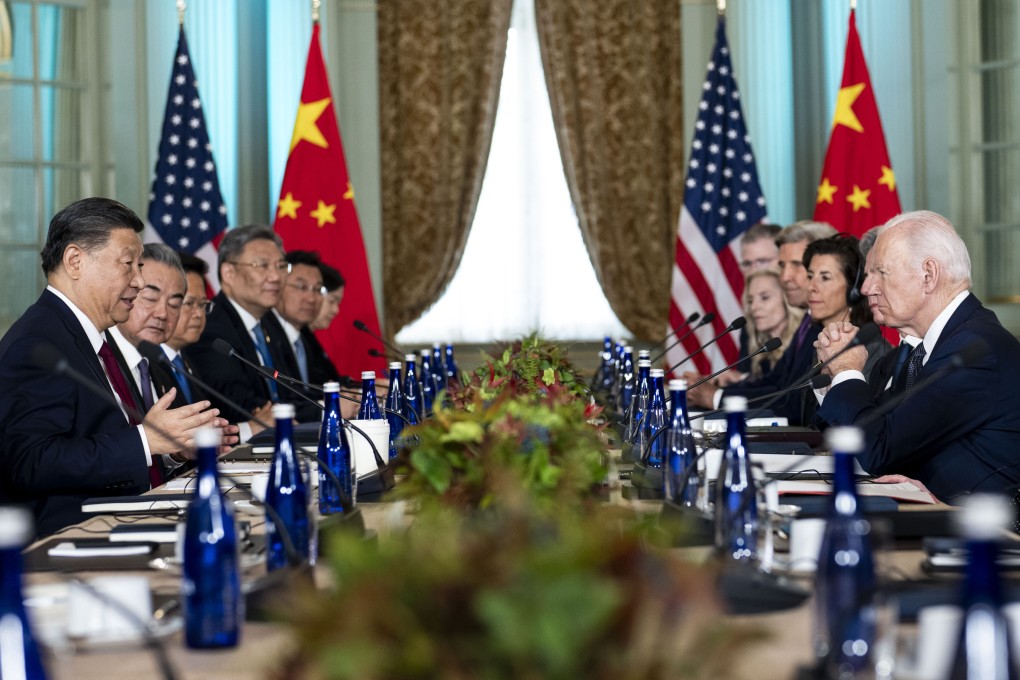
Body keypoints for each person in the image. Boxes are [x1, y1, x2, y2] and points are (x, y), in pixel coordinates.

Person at [0, 198, 224, 535]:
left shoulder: (92, 337)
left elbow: (106, 439)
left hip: (120, 519)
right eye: (128, 264)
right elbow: (32, 461)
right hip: (68, 540)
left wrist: (171, 449)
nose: (137, 280)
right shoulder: (38, 342)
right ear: (75, 261)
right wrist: (146, 441)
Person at [815, 210, 1020, 500]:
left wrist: (848, 370)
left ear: (928, 275)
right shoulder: (933, 345)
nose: (866, 287)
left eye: (880, 273)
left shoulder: (974, 350)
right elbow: (878, 427)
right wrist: (835, 377)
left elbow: (879, 450)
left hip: (988, 536)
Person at [686, 221, 837, 410]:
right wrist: (716, 391)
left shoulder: (830, 323)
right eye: (782, 265)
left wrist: (717, 398)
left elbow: (794, 402)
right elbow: (776, 384)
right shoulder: (809, 320)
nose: (784, 276)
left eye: (797, 264)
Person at [184, 225, 293, 425]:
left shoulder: (269, 322)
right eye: (262, 265)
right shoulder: (210, 325)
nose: (276, 277)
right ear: (228, 272)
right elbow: (237, 404)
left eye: (280, 266)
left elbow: (291, 392)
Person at [164, 252, 272, 441]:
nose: (198, 314)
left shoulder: (185, 360)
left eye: (203, 304)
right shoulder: (150, 361)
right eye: (189, 303)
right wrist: (248, 429)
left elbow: (208, 426)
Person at [262, 250, 331, 420]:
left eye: (317, 289)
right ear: (278, 287)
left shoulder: (304, 336)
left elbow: (317, 386)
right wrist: (327, 407)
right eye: (301, 287)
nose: (311, 298)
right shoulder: (265, 331)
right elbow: (279, 400)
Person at [742, 268, 804, 380]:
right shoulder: (759, 351)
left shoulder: (803, 344)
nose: (754, 307)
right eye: (750, 301)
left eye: (764, 298)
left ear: (786, 299)